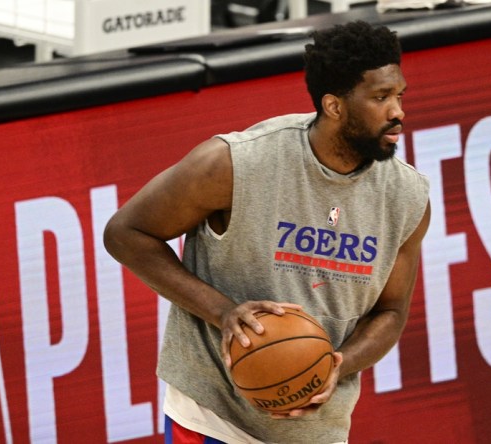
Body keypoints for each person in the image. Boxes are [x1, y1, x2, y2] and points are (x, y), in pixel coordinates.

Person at [104, 20, 430, 444]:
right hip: (215, 418)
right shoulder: (235, 163)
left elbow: (390, 313)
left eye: (399, 95)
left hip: (318, 430)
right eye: (381, 98)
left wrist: (337, 364)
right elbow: (126, 233)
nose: (398, 112)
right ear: (334, 106)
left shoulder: (407, 196)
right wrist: (223, 313)